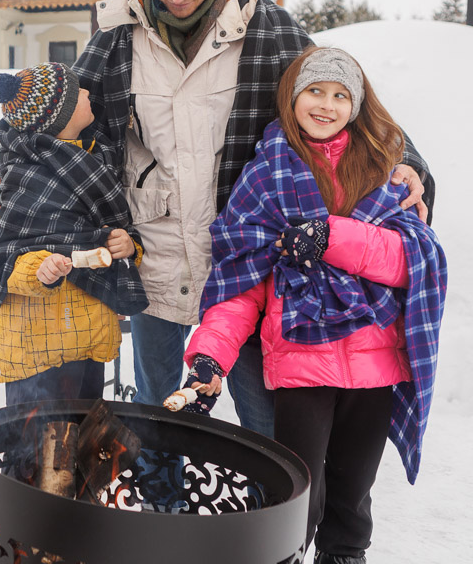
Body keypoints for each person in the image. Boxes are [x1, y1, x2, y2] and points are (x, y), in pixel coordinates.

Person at [0, 0, 433, 436]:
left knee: (261, 414)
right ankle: (162, 506)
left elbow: (337, 95)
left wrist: (404, 162)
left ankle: (260, 517)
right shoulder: (119, 33)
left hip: (241, 252)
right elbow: (54, 113)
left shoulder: (270, 29)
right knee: (156, 409)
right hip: (155, 249)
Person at [180, 46, 447, 564]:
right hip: (303, 366)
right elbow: (240, 286)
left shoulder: (383, 171)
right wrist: (210, 357)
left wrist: (331, 236)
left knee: (353, 498)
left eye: (340, 95)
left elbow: (410, 259)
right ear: (292, 97)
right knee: (299, 494)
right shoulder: (264, 178)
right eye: (315, 91)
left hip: (373, 367)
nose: (326, 105)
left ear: (357, 104)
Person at [0, 63, 148, 406]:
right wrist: (39, 269)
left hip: (89, 335)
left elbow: (115, 229)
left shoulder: (92, 160)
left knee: (86, 439)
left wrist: (127, 245)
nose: (88, 92)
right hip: (38, 344)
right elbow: (3, 255)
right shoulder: (27, 176)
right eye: (78, 92)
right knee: (38, 448)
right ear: (60, 117)